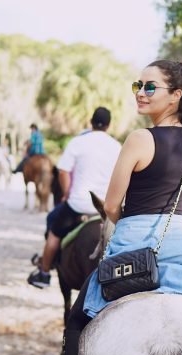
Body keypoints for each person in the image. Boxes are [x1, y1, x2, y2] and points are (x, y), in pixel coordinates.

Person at [58, 60, 182, 355]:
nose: (141, 92)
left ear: (175, 96)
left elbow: (111, 206)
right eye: (137, 85)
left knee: (78, 320)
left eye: (150, 87)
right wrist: (176, 229)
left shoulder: (140, 139)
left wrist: (135, 223)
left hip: (131, 245)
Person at [27, 108, 121, 288]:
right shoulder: (117, 147)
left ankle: (44, 272)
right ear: (109, 125)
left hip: (79, 205)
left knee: (53, 226)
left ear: (91, 122)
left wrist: (67, 193)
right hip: (107, 209)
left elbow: (63, 171)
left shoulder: (78, 143)